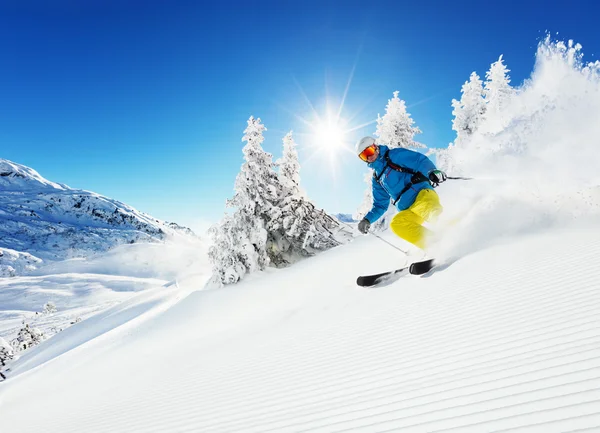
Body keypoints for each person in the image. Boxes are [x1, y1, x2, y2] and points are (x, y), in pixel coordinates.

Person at [356, 136, 447, 250]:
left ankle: (452, 233)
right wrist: (367, 219)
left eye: (368, 151)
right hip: (409, 208)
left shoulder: (394, 155)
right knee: (397, 224)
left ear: (375, 147)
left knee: (429, 211)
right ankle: (434, 245)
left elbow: (419, 160)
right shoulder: (377, 178)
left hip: (422, 194)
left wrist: (431, 171)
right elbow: (380, 205)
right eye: (364, 156)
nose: (369, 157)